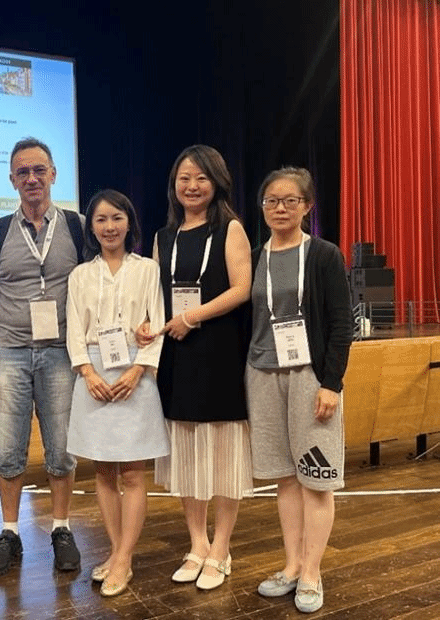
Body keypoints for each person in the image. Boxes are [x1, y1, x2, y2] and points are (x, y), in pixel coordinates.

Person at [137, 144, 252, 590]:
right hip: (178, 356)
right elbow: (156, 294)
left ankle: (221, 548)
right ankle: (197, 544)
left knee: (223, 453)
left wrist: (191, 316)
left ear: (217, 182)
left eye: (201, 177)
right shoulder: (163, 237)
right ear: (174, 185)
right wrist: (149, 324)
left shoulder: (231, 229)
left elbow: (241, 288)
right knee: (184, 450)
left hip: (220, 352)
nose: (192, 186)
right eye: (184, 178)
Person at [0, 137, 83, 577]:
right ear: (12, 179)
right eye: (23, 172)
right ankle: (9, 532)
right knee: (8, 451)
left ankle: (61, 528)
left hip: (62, 353)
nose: (32, 178)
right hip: (9, 353)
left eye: (39, 170)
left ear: (54, 174)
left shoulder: (77, 227)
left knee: (62, 450)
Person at [246, 167, 352, 613]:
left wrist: (331, 383)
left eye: (290, 200)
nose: (280, 208)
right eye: (272, 200)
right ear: (262, 207)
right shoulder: (254, 256)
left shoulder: (324, 255)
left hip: (310, 376)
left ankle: (312, 572)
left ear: (307, 206)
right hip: (262, 374)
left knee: (316, 479)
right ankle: (291, 566)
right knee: (286, 478)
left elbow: (342, 323)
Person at [65, 189, 169, 597]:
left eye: (117, 218)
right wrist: (88, 373)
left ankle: (124, 558)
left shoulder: (147, 269)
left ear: (130, 223)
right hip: (92, 373)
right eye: (101, 219)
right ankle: (115, 551)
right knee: (103, 471)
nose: (109, 227)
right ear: (91, 227)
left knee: (133, 472)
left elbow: (157, 322)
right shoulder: (79, 275)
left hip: (135, 372)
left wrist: (139, 369)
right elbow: (74, 329)